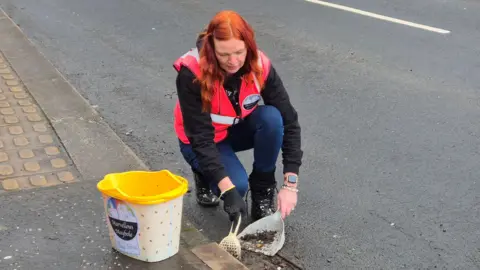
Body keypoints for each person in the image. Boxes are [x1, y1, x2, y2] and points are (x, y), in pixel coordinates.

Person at [172, 10, 303, 222]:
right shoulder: (192, 73)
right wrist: (228, 190)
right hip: (200, 141)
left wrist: (290, 185)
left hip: (233, 131)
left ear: (249, 45)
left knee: (271, 119)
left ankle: (263, 188)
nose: (233, 62)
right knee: (237, 186)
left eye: (239, 53)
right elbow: (201, 138)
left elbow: (290, 121)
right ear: (212, 49)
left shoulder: (259, 66)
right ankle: (204, 174)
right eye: (223, 55)